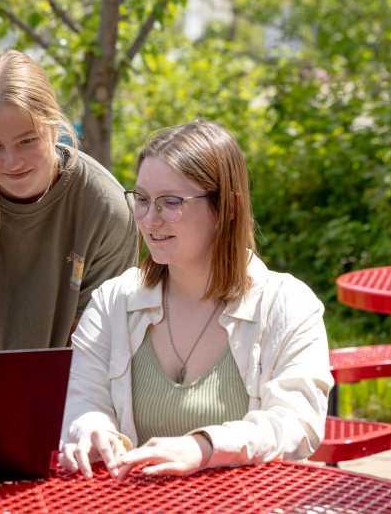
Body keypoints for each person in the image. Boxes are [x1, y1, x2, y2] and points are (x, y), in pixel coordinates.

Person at [59, 120, 333, 479]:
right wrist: (91, 426)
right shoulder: (114, 302)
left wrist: (204, 447)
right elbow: (83, 398)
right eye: (141, 200)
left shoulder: (288, 304)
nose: (149, 219)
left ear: (227, 208)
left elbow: (297, 423)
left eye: (170, 203)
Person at [0, 50, 139, 350]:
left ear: (53, 126)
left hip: (66, 389)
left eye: (27, 141)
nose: (12, 162)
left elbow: (98, 349)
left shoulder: (105, 209)